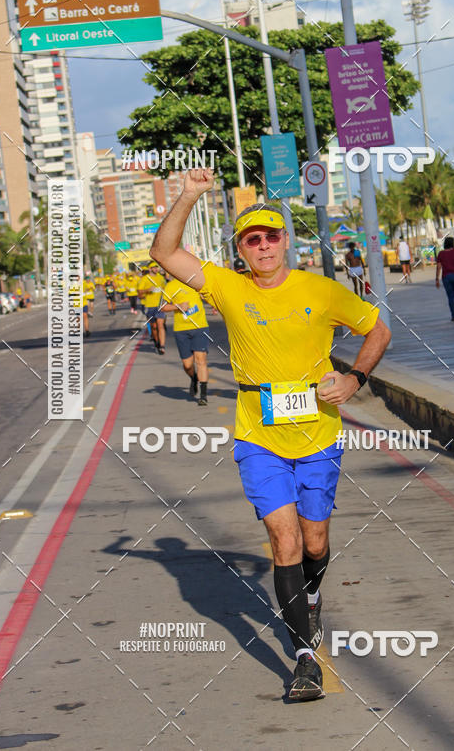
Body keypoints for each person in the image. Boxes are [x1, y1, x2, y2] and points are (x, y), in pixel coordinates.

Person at [150, 169, 391, 702]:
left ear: (285, 241)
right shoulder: (228, 287)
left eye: (271, 236)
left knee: (314, 541)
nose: (262, 246)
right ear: (242, 250)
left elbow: (378, 328)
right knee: (283, 537)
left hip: (318, 434)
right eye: (251, 239)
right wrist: (188, 194)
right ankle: (304, 658)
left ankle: (310, 595)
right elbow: (165, 252)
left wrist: (355, 378)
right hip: (258, 435)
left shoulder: (320, 290)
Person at [162, 277, 210, 405]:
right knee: (187, 365)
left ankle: (203, 395)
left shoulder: (196, 282)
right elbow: (162, 307)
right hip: (181, 329)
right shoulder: (170, 286)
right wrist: (178, 306)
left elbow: (211, 295)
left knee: (201, 359)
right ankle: (194, 378)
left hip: (200, 327)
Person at [138, 262, 167, 353]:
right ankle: (157, 342)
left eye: (156, 267)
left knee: (160, 325)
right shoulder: (145, 279)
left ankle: (162, 346)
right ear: (150, 269)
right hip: (149, 306)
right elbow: (139, 293)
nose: (155, 269)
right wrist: (147, 290)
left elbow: (166, 290)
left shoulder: (161, 278)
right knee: (154, 327)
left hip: (160, 306)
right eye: (153, 267)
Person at [435, 236, 454, 321]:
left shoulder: (441, 254)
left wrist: (437, 279)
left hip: (446, 277)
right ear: (452, 243)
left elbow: (439, 267)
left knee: (450, 297)